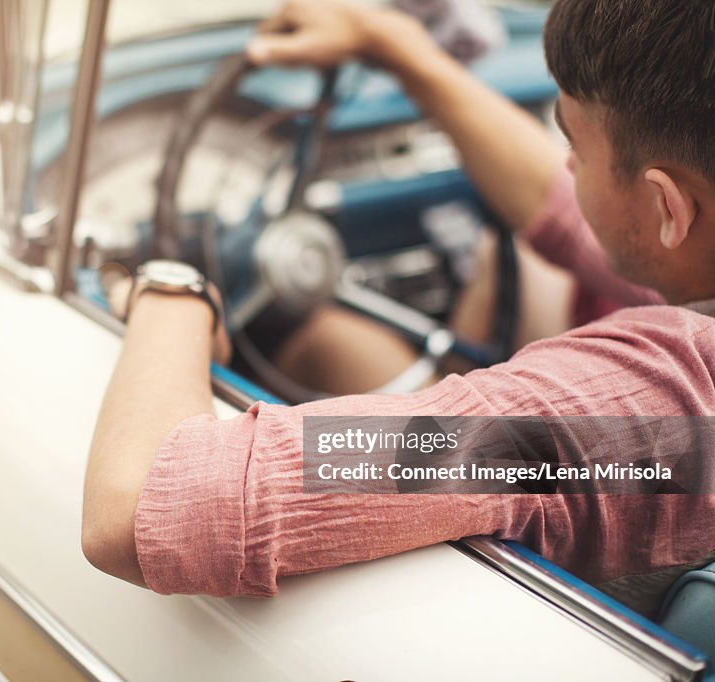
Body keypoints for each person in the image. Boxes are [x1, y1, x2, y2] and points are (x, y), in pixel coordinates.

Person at [81, 0, 715, 613]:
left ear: (667, 207)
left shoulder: (644, 425)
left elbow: (140, 509)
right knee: (327, 343)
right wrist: (394, 46)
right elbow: (563, 211)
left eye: (575, 144)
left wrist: (175, 294)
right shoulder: (689, 253)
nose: (566, 164)